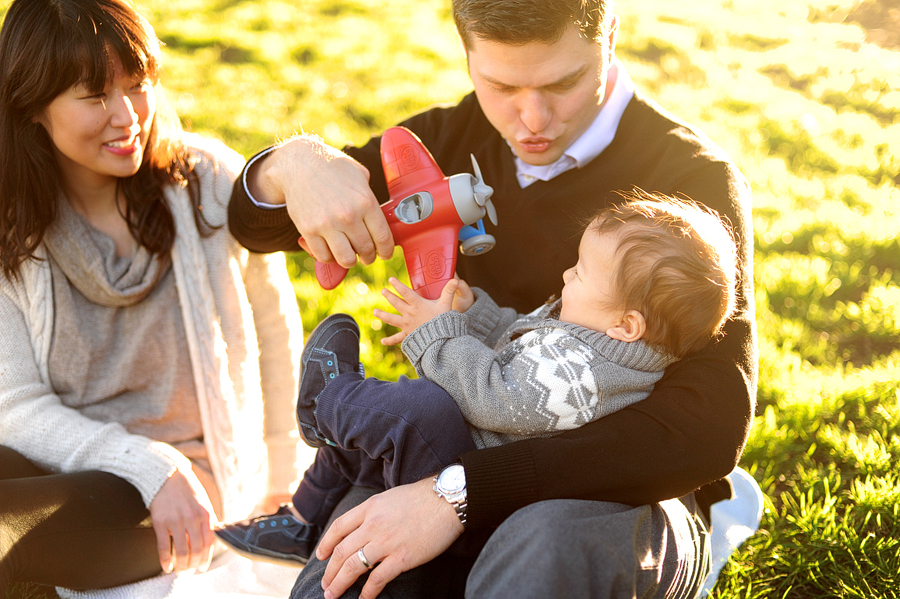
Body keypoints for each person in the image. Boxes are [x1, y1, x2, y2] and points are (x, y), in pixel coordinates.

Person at [228, 0, 758, 596]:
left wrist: (458, 493)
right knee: (350, 576)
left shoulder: (693, 184)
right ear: (467, 53)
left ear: (610, 35)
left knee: (541, 551)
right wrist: (297, 165)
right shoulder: (444, 144)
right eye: (502, 85)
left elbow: (709, 425)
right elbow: (254, 226)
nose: (533, 117)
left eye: (564, 82)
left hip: (612, 484)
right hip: (446, 445)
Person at [216, 194, 739, 568]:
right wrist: (477, 314)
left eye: (580, 274)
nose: (565, 277)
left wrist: (438, 335)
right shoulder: (598, 341)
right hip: (470, 465)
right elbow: (525, 347)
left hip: (470, 487)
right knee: (356, 443)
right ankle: (305, 520)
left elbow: (499, 396)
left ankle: (328, 401)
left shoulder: (585, 375)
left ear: (626, 326)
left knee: (419, 408)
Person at [0, 0, 303, 595]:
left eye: (137, 86)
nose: (128, 116)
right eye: (95, 97)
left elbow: (274, 330)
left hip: (194, 490)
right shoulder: (13, 231)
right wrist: (147, 462)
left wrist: (284, 478)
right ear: (34, 105)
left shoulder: (205, 182)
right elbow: (13, 406)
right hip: (74, 469)